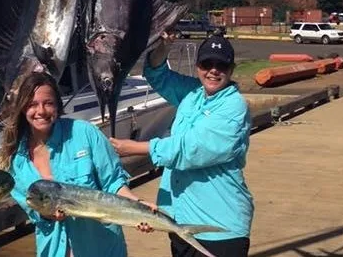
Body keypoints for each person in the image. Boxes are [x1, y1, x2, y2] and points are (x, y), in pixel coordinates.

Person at [109, 32, 254, 257]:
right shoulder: (192, 93)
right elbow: (157, 74)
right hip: (180, 221)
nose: (213, 70)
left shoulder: (234, 107)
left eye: (221, 65)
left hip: (219, 228)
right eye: (207, 63)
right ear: (197, 66)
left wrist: (136, 148)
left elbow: (191, 149)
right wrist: (165, 45)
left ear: (231, 69)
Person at [0, 72, 156, 257]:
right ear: (23, 108)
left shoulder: (84, 133)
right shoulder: (16, 162)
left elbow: (113, 182)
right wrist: (47, 215)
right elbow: (34, 213)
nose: (41, 111)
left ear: (58, 105)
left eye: (48, 103)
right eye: (32, 104)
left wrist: (139, 205)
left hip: (102, 250)